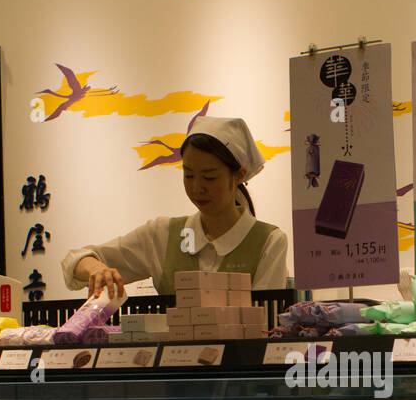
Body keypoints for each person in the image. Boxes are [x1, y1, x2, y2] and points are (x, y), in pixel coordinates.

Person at [61, 116, 288, 298]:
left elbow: (266, 324)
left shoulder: (269, 241)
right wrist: (95, 268)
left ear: (239, 175)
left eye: (209, 177)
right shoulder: (163, 235)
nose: (197, 188)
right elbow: (76, 259)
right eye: (188, 175)